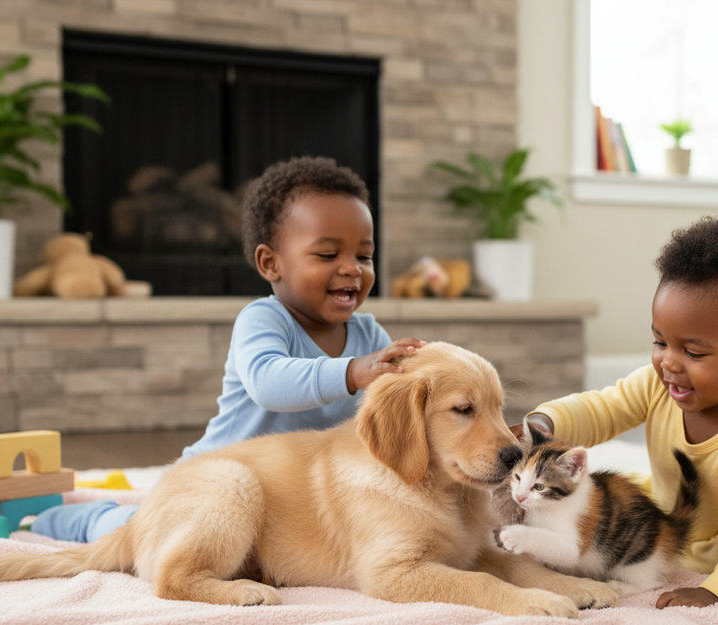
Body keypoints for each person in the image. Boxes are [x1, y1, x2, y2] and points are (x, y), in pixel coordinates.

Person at [32, 156, 424, 543]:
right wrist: (353, 371)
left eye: (364, 256)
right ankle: (69, 521)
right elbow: (269, 383)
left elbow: (394, 403)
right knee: (137, 535)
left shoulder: (369, 334)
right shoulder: (263, 320)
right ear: (271, 263)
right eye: (327, 255)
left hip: (290, 497)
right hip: (214, 483)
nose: (352, 268)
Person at [524, 215, 718, 608]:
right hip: (683, 516)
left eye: (693, 352)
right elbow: (600, 409)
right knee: (633, 526)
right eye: (659, 341)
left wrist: (717, 589)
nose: (668, 363)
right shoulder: (655, 383)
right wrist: (545, 424)